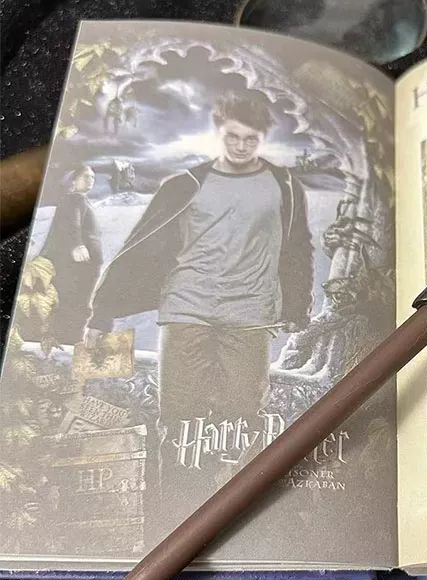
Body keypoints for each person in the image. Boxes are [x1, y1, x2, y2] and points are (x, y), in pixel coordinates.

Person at [83, 90, 313, 525]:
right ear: (219, 131)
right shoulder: (185, 184)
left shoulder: (283, 185)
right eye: (233, 136)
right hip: (187, 307)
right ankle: (173, 515)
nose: (241, 145)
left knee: (242, 418)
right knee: (179, 417)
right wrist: (102, 313)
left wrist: (298, 306)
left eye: (250, 138)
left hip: (251, 314)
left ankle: (234, 518)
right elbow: (137, 247)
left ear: (262, 138)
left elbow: (298, 246)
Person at [39, 165, 102, 344]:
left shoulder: (81, 200)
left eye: (92, 177)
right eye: (86, 176)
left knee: (80, 300)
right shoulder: (72, 200)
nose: (90, 180)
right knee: (73, 300)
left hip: (87, 262)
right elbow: (71, 224)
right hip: (78, 262)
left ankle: (71, 339)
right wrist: (77, 245)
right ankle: (68, 340)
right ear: (74, 180)